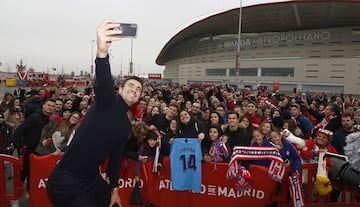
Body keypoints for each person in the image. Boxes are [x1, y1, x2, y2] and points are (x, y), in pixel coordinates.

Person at [47, 20, 143, 207]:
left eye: (138, 89)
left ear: (139, 97)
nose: (134, 89)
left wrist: (114, 189)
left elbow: (116, 157)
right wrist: (102, 53)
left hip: (92, 180)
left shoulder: (125, 125)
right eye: (130, 85)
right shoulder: (106, 103)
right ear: (120, 89)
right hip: (66, 182)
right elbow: (104, 82)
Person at [13, 98, 56, 189]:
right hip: (29, 149)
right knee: (24, 172)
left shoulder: (51, 120)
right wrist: (20, 146)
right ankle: (16, 195)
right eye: (48, 105)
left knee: (34, 173)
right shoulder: (34, 117)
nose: (50, 108)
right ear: (43, 105)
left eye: (53, 106)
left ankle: (30, 192)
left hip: (41, 150)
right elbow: (19, 131)